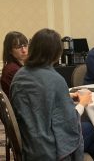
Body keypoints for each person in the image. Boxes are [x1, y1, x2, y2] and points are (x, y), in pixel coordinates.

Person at [11, 28, 84, 160]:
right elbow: (68, 122)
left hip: (29, 144)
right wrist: (83, 104)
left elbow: (40, 101)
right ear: (56, 54)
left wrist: (65, 97)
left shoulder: (19, 76)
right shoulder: (56, 80)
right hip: (49, 150)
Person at [1, 31, 28, 99]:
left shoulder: (15, 67)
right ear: (10, 50)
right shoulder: (13, 70)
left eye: (25, 45)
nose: (24, 50)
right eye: (19, 47)